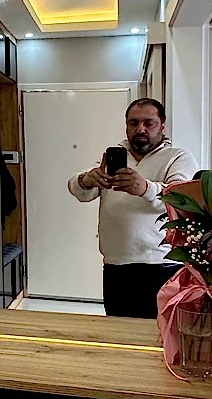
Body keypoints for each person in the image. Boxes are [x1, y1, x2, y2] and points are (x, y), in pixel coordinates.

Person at [67, 98, 198, 318]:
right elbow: (78, 190)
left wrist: (145, 188)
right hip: (116, 267)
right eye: (134, 123)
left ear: (162, 126)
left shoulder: (178, 158)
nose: (141, 129)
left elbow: (181, 198)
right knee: (119, 331)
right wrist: (87, 180)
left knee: (159, 331)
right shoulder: (114, 156)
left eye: (149, 123)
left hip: (162, 266)